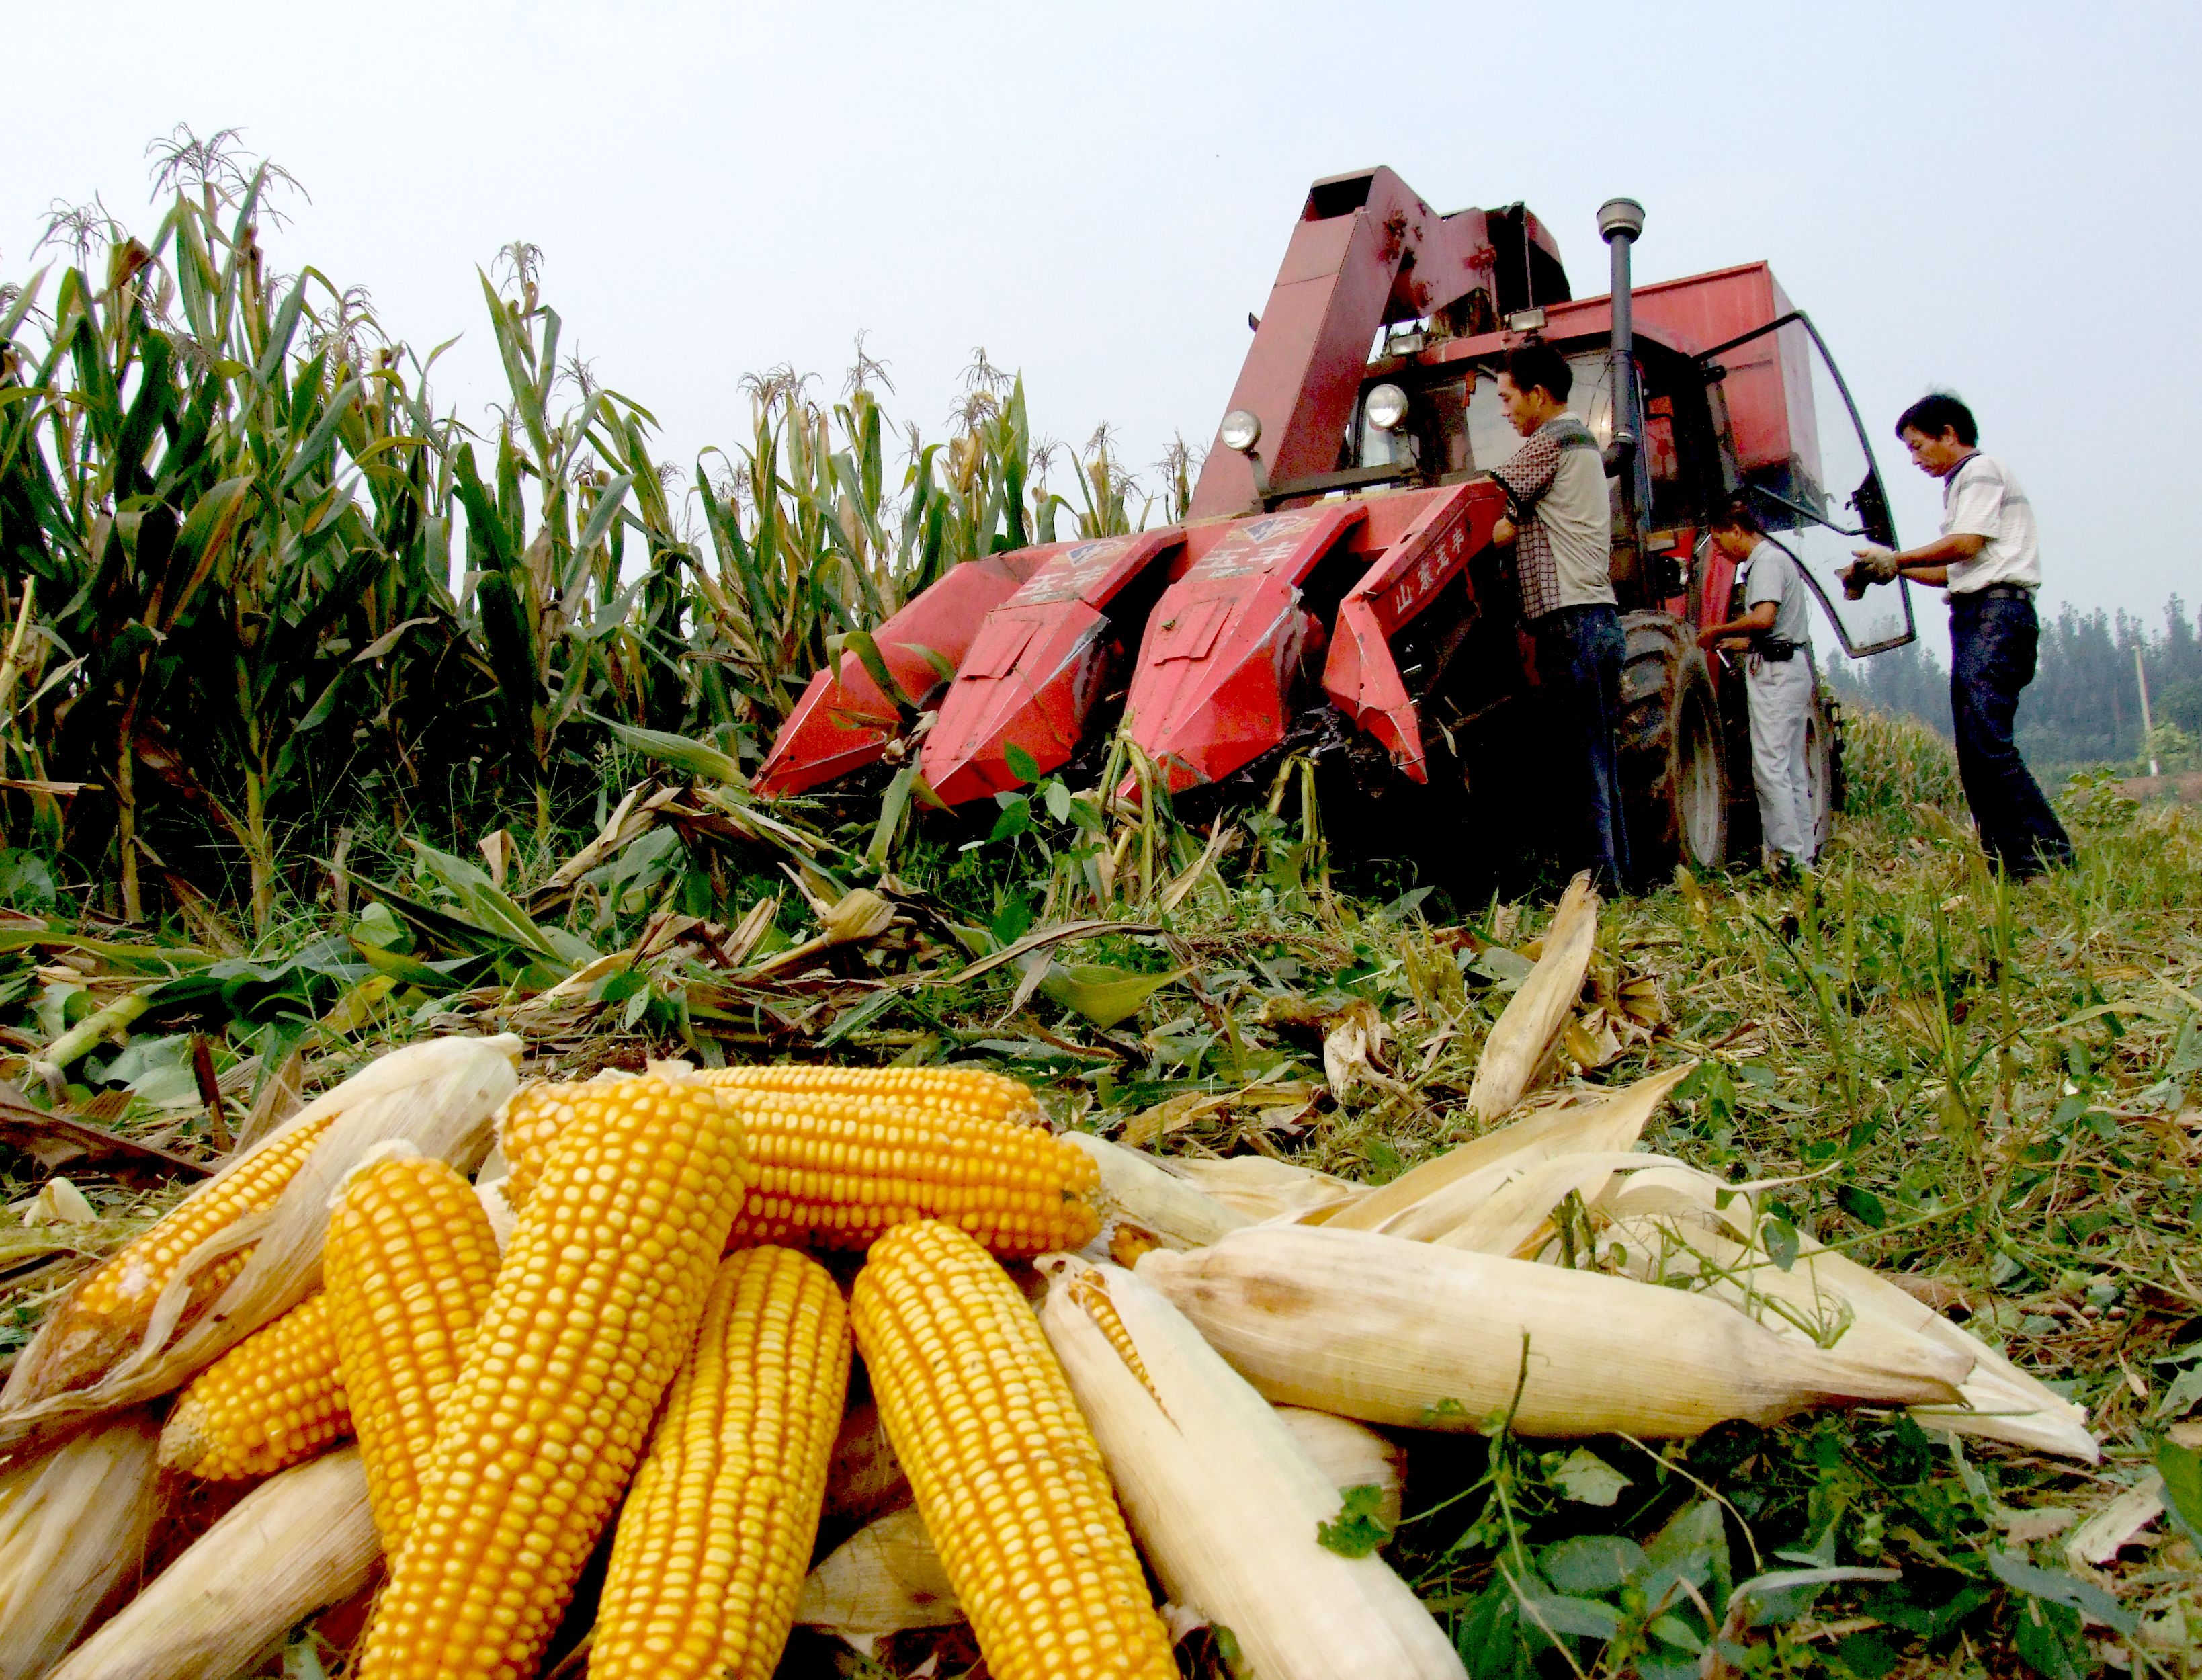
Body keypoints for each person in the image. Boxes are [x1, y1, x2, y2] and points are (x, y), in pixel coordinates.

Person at [1845, 393, 2074, 879]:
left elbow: (1965, 544)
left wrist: (1898, 558)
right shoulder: (1961, 485)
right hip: (1978, 614)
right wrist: (1890, 569)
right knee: (1974, 751)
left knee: (1988, 745)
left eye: (1917, 446)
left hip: (1995, 616)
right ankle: (2011, 865)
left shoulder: (1980, 471)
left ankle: (2049, 856)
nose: (1914, 459)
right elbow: (1953, 570)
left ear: (1948, 433)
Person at [1488, 343, 1632, 894]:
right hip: (1595, 620)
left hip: (1570, 623)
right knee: (1598, 758)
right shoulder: (1580, 445)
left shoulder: (1553, 440)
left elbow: (1487, 502)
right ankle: (1618, 883)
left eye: (1507, 399)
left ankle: (1593, 891)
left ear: (1538, 395)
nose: (1504, 411)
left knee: (1579, 763)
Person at [1695, 501, 1817, 874]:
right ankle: (1804, 856)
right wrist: (1739, 644)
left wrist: (1719, 630)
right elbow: (1776, 628)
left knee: (1770, 768)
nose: (1719, 551)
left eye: (1719, 541)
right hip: (1791, 664)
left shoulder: (1764, 562)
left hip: (1776, 675)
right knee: (1792, 768)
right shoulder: (1780, 560)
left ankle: (1784, 859)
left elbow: (1763, 619)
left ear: (1736, 529)